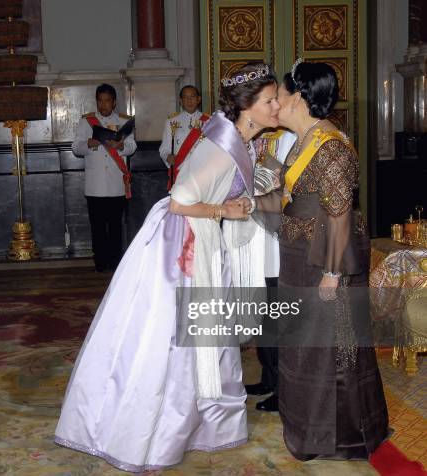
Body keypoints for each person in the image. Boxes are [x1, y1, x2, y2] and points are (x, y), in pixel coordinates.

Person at [55, 63, 280, 472]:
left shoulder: (241, 139)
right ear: (248, 108)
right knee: (172, 342)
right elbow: (179, 200)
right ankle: (152, 431)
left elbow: (238, 187)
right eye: (270, 100)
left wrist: (244, 201)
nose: (278, 105)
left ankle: (203, 424)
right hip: (183, 246)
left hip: (204, 238)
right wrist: (223, 209)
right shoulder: (220, 146)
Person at [245, 60, 389, 460]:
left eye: (283, 95)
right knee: (303, 347)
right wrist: (247, 203)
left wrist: (331, 273)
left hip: (325, 263)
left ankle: (339, 436)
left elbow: (340, 211)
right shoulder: (306, 140)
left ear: (301, 97)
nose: (278, 104)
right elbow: (290, 202)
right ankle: (307, 428)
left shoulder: (331, 145)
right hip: (299, 259)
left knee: (331, 349)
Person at [243, 128, 296, 412]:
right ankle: (267, 377)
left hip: (275, 241)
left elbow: (284, 186)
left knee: (275, 320)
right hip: (254, 239)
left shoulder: (287, 138)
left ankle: (282, 388)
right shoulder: (248, 138)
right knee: (262, 316)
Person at [72, 83, 137, 272]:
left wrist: (122, 147)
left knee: (116, 226)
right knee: (98, 227)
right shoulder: (86, 122)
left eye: (107, 100)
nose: (103, 105)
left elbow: (133, 145)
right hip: (95, 185)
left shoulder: (124, 121)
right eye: (100, 101)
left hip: (117, 183)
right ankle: (100, 262)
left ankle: (116, 261)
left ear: (114, 102)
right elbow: (76, 147)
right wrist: (89, 144)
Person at [159, 85, 209, 190]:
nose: (189, 100)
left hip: (202, 172)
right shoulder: (172, 121)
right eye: (185, 97)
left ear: (198, 99)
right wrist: (168, 157)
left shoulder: (208, 121)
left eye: (192, 97)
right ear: (181, 100)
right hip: (180, 173)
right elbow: (164, 149)